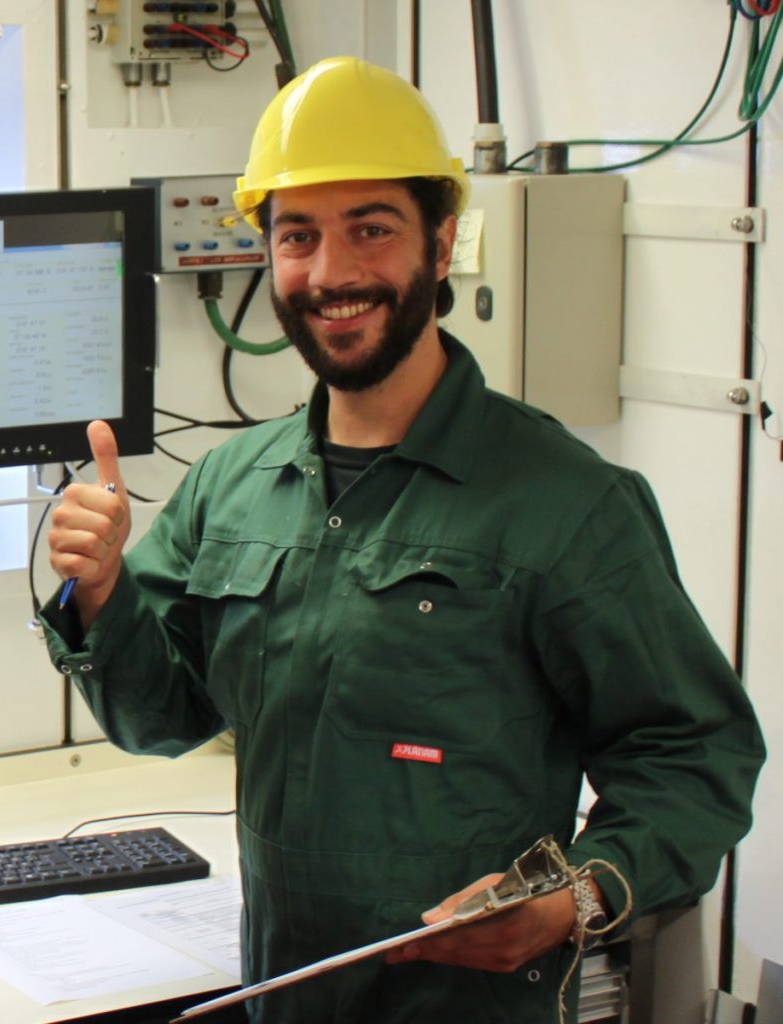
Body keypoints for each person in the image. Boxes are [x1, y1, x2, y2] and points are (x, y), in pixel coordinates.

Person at [41, 57, 764, 1024]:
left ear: (442, 240)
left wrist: (572, 899)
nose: (331, 273)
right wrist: (100, 593)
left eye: (371, 228)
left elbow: (693, 758)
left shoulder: (567, 506)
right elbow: (162, 719)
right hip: (283, 1000)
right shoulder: (232, 485)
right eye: (298, 235)